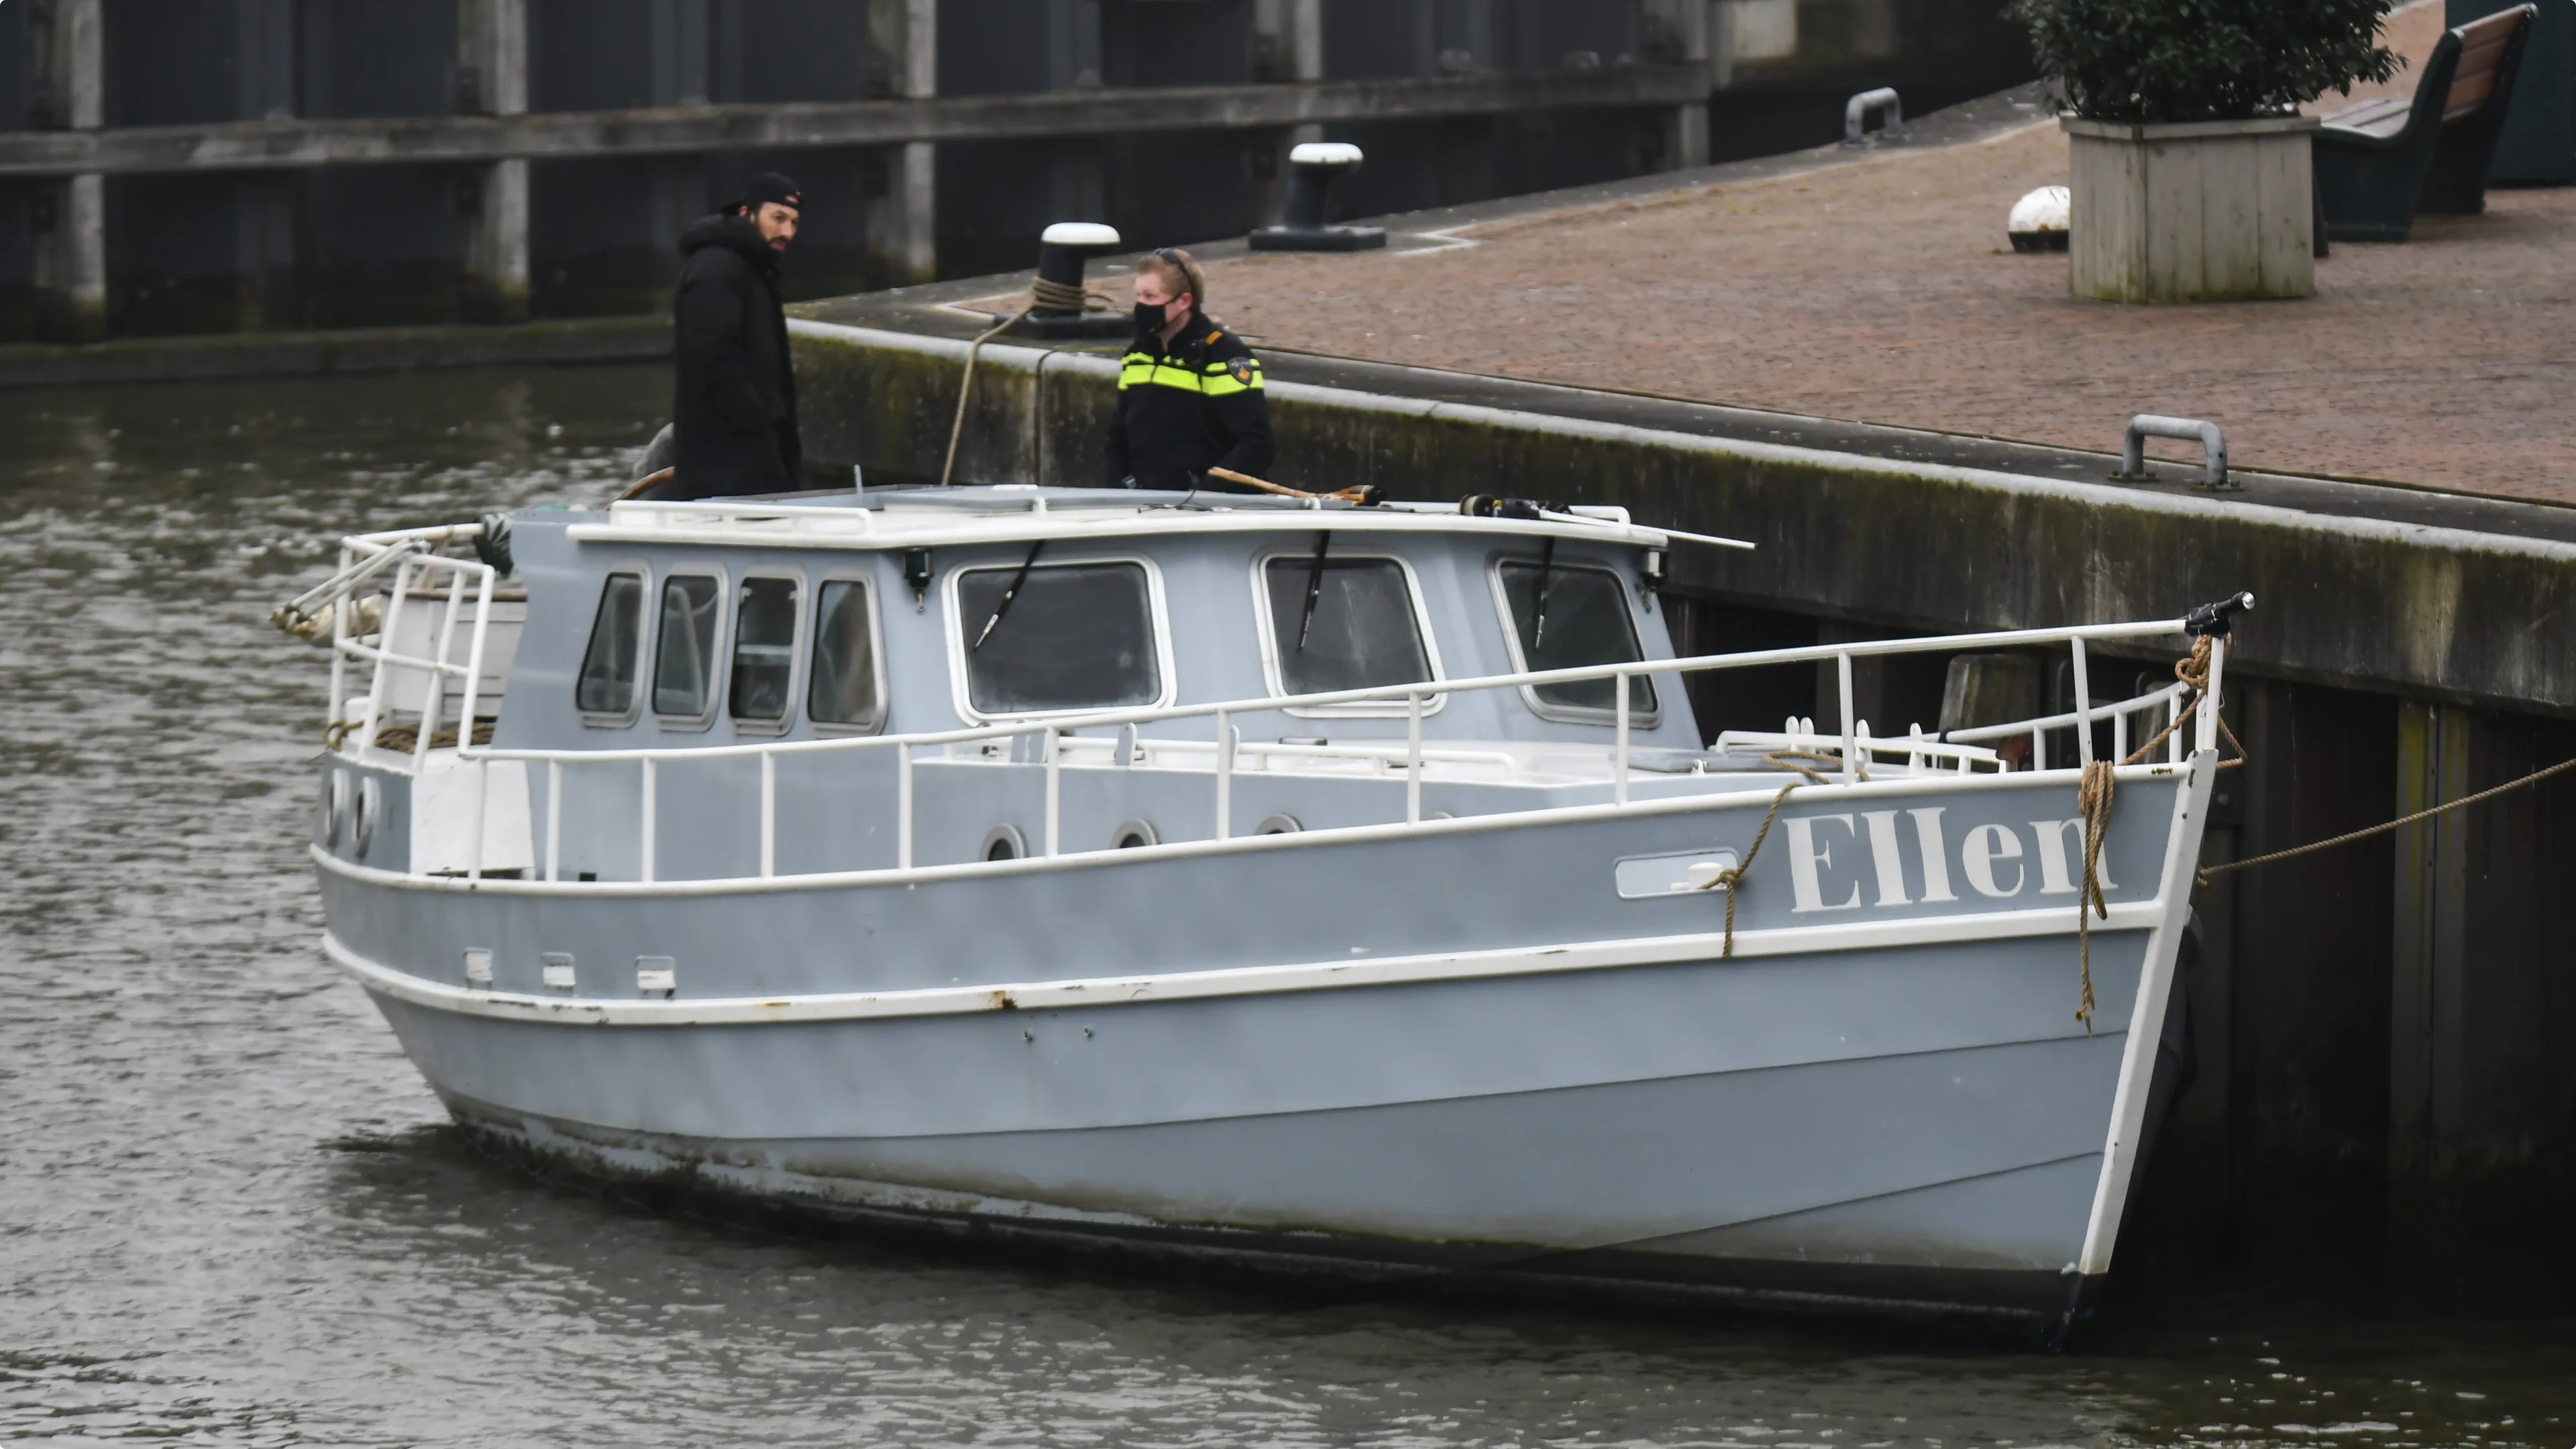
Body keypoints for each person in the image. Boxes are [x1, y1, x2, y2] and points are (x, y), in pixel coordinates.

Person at [658, 172, 804, 500]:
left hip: (751, 462)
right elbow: (713, 360)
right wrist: (757, 424)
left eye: (794, 223)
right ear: (746, 213)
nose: (788, 232)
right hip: (727, 470)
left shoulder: (754, 269)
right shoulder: (716, 270)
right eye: (778, 218)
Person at [1104, 246, 1273, 492]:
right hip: (1143, 501)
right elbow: (1118, 435)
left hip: (1209, 505)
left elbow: (1257, 445)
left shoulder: (1224, 357)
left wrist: (1204, 493)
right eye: (1138, 296)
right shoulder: (1137, 354)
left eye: (1150, 297)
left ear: (1184, 301)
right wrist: (1118, 486)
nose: (1141, 306)